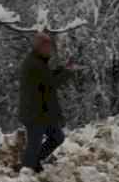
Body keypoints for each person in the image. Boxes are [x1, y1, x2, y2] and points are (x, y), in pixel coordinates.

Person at [18, 31, 76, 173]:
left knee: (57, 137)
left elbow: (47, 78)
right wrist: (67, 73)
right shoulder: (34, 64)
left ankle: (34, 162)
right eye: (47, 47)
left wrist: (63, 69)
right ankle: (26, 172)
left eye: (50, 47)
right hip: (35, 112)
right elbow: (51, 84)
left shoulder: (38, 61)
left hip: (43, 112)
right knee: (34, 145)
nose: (50, 50)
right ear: (39, 47)